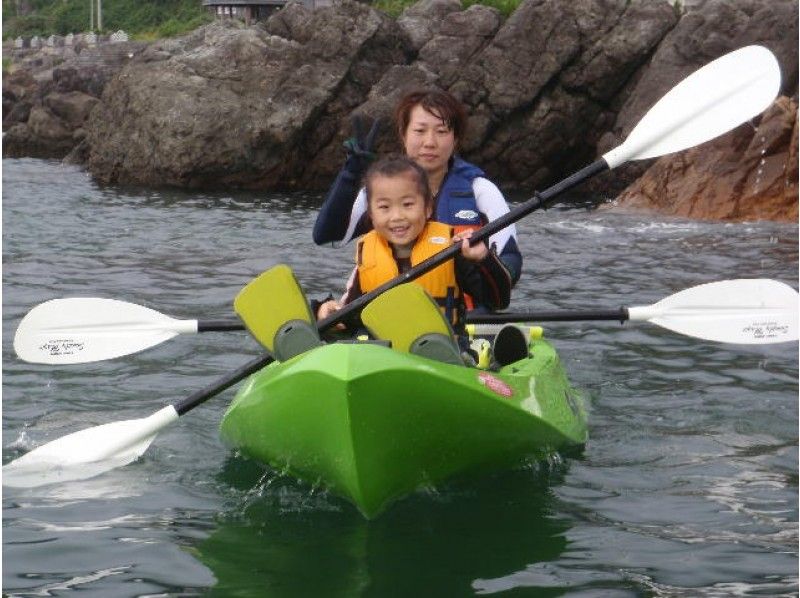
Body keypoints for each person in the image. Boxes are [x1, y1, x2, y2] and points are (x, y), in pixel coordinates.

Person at [313, 88, 522, 313]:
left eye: (441, 131)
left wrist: (484, 261)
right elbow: (327, 236)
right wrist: (350, 173)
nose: (430, 142)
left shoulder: (480, 191)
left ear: (456, 138)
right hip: (388, 323)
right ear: (403, 135)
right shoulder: (379, 191)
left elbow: (509, 259)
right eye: (420, 131)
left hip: (466, 323)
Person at [315, 155, 512, 333]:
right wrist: (328, 310)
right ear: (372, 216)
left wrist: (484, 259)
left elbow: (498, 300)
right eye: (384, 207)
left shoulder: (452, 251)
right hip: (383, 353)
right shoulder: (368, 256)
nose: (397, 216)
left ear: (427, 208)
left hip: (441, 354)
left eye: (408, 205)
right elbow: (351, 315)